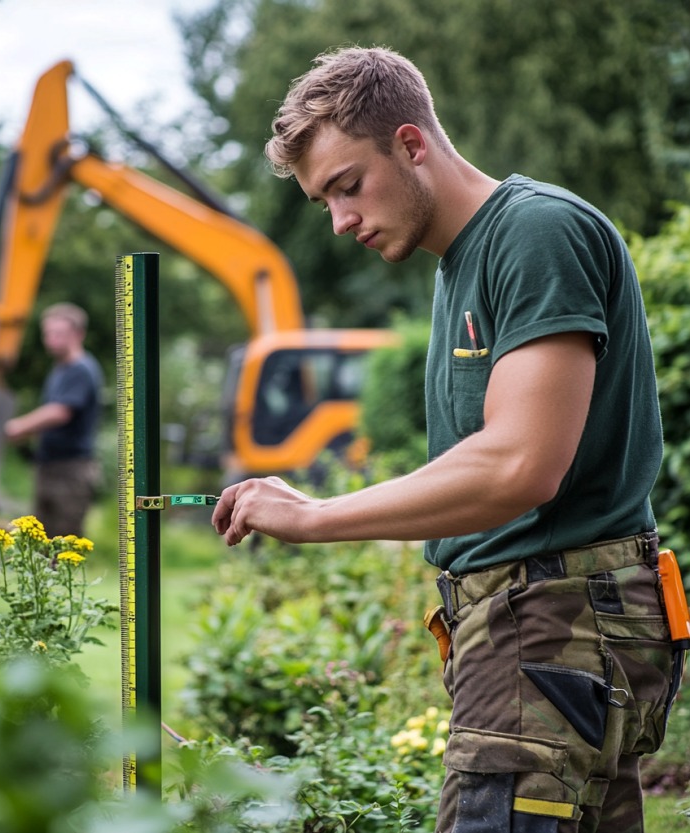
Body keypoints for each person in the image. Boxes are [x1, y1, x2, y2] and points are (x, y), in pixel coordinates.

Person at [211, 46, 682, 832]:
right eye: (323, 201)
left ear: (410, 143)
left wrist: (317, 516)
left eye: (347, 186)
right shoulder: (457, 266)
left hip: (548, 625)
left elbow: (519, 463)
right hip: (540, 627)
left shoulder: (534, 232)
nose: (341, 221)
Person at [5, 302, 104, 538]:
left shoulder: (81, 369)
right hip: (50, 466)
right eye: (48, 333)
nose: (51, 339)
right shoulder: (60, 369)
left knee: (64, 542)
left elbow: (61, 412)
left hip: (70, 470)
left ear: (78, 334)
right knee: (41, 541)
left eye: (59, 333)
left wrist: (19, 427)